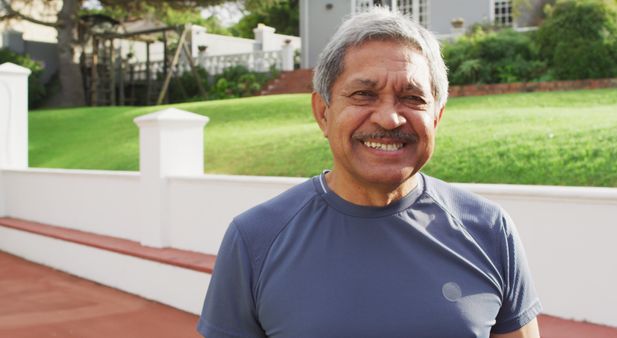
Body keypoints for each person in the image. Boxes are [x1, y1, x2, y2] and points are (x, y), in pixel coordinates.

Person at [198, 7, 541, 338]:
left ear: (436, 118)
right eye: (364, 94)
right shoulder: (255, 240)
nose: (389, 118)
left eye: (412, 97)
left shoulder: (490, 231)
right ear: (323, 113)